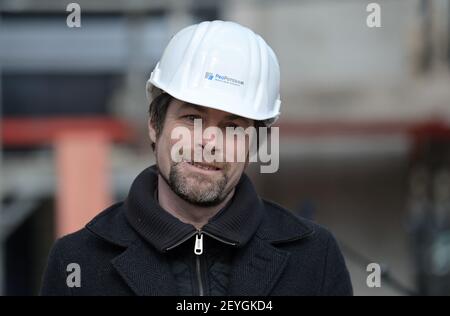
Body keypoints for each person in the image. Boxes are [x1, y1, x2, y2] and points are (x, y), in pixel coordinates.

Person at [40, 20, 352, 296]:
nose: (209, 141)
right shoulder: (79, 261)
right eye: (191, 119)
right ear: (154, 123)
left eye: (232, 127)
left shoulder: (313, 258)